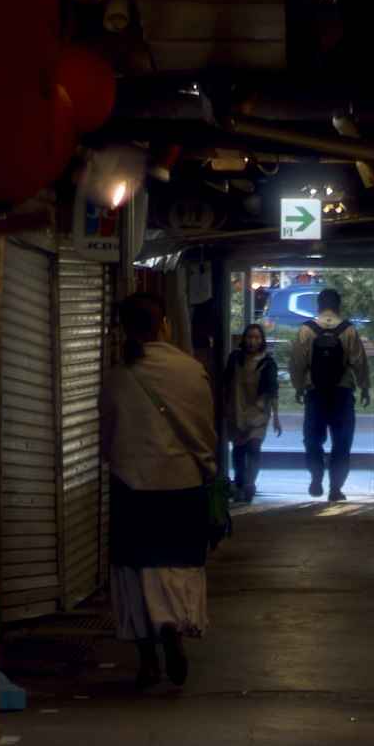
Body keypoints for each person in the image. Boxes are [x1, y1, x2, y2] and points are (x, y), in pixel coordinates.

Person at [100, 280, 221, 694]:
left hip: (131, 490)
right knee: (177, 569)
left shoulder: (117, 378)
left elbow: (106, 439)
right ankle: (172, 629)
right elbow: (205, 434)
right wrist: (207, 469)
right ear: (165, 326)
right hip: (181, 488)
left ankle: (147, 663)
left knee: (132, 573)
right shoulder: (191, 372)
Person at [298, 290, 365, 507]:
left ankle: (316, 475)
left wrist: (298, 387)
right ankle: (335, 488)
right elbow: (360, 362)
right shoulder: (349, 330)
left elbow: (297, 362)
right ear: (338, 306)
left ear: (319, 305)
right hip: (342, 393)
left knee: (312, 439)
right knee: (342, 443)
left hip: (314, 393)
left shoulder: (306, 330)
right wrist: (365, 387)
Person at [222, 310, 279, 502]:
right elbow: (225, 383)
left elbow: (273, 390)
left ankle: (249, 483)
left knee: (254, 446)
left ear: (261, 340)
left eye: (256, 337)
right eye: (249, 337)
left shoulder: (267, 363)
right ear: (243, 339)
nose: (252, 341)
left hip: (259, 412)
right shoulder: (234, 359)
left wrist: (277, 417)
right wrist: (223, 405)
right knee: (238, 449)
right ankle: (239, 483)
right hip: (237, 409)